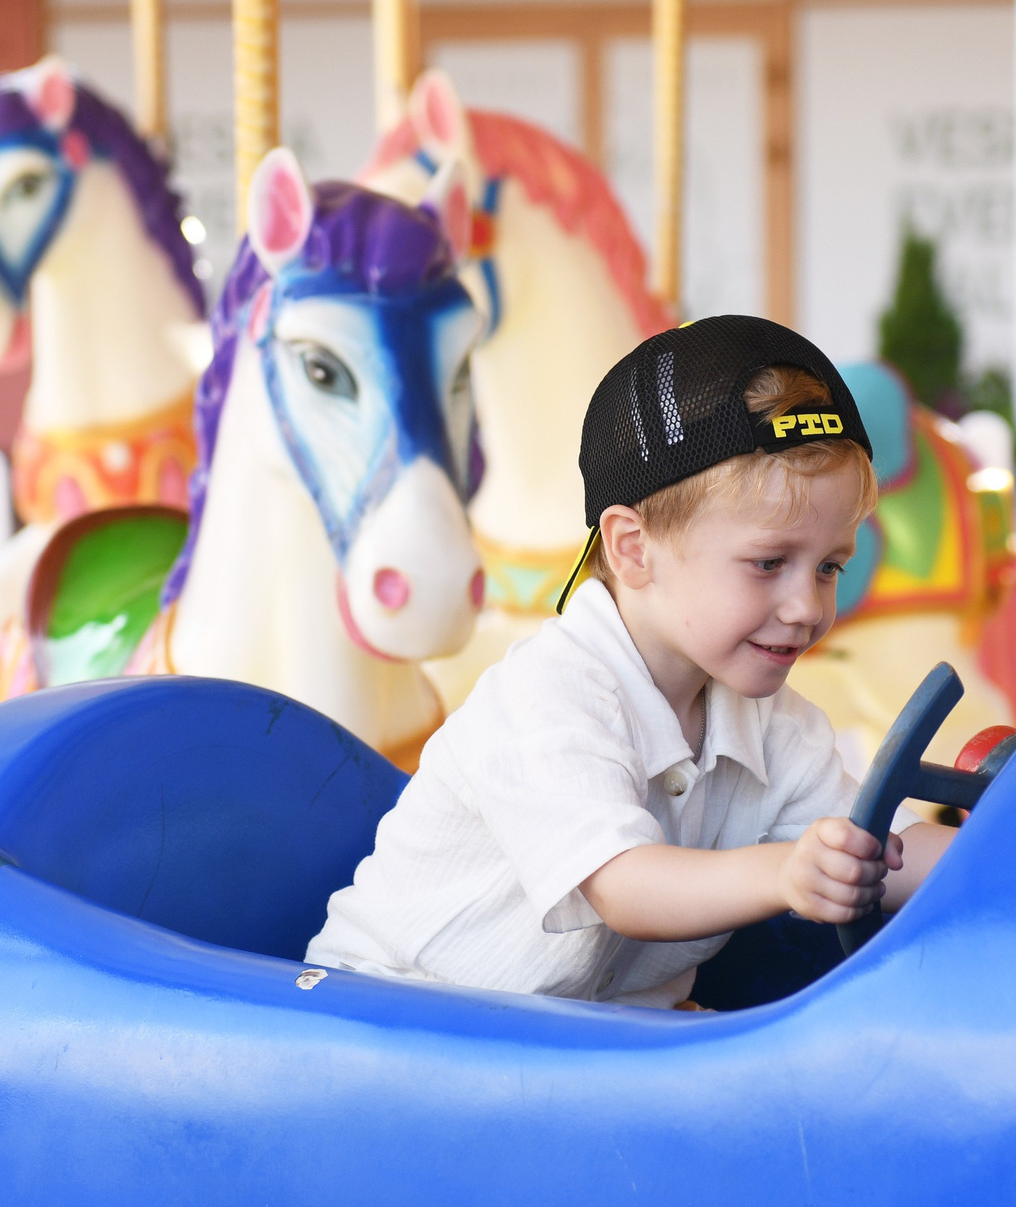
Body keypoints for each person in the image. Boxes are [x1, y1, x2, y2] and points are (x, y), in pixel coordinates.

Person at [305, 316, 954, 1007]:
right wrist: (789, 871)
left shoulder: (772, 725)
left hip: (573, 1052)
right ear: (633, 549)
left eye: (830, 567)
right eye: (769, 563)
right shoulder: (550, 694)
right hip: (382, 1025)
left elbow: (886, 849)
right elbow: (625, 886)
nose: (807, 606)